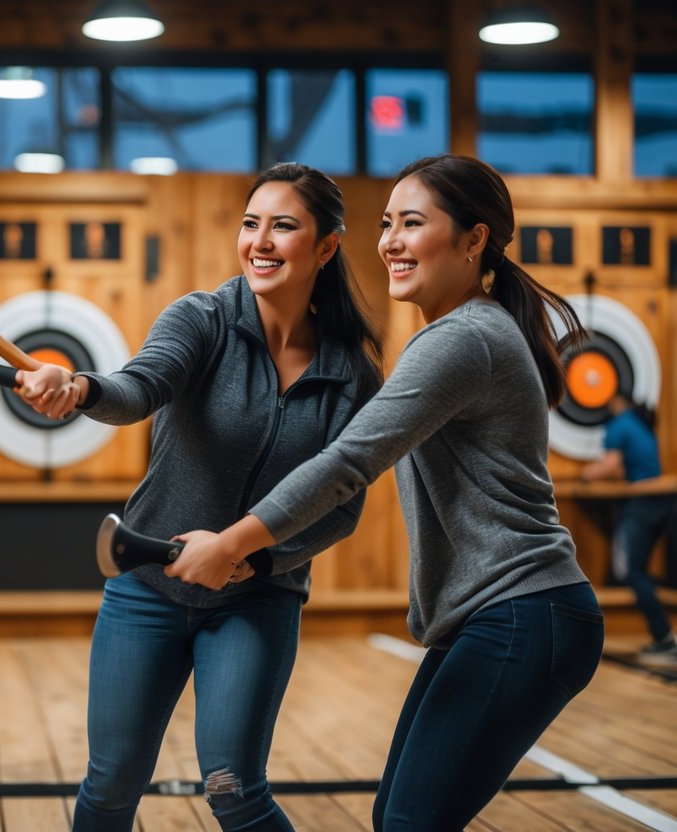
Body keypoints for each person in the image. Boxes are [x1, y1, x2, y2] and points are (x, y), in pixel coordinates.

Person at [82, 154, 602, 831]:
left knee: (402, 820)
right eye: (386, 223)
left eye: (411, 223)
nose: (387, 240)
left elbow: (347, 465)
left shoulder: (458, 339)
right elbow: (139, 385)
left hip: (522, 610)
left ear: (473, 240)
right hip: (497, 614)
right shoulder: (459, 332)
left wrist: (237, 546)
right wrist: (86, 390)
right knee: (400, 817)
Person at [18, 163, 383, 831]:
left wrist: (258, 561)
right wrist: (80, 390)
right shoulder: (202, 318)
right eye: (250, 224)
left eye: (283, 226)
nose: (260, 241)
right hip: (146, 589)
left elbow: (341, 506)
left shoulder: (351, 375)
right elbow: (140, 386)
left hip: (257, 599)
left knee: (232, 785)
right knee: (110, 784)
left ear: (325, 247)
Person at [581, 391, 677, 664]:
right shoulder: (641, 424)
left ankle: (664, 639)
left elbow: (610, 464)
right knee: (643, 570)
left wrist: (587, 474)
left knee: (629, 570)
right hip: (663, 500)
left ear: (614, 403)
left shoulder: (619, 423)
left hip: (642, 502)